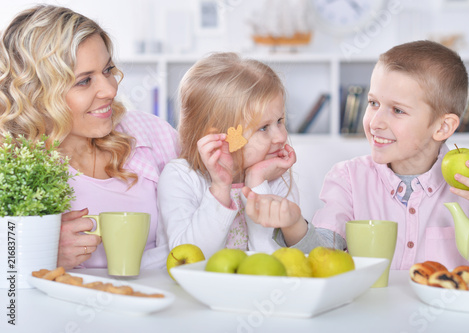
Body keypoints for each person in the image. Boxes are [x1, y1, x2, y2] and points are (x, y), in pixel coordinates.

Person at [0, 5, 179, 270]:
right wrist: (39, 252)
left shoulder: (149, 133)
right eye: (84, 81)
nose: (109, 90)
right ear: (36, 93)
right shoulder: (11, 167)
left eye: (108, 70)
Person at [310, 40, 469, 270]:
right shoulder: (348, 179)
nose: (376, 122)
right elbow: (319, 253)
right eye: (373, 103)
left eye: (397, 110)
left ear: (442, 128)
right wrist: (292, 225)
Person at [157, 52, 345, 258]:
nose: (281, 136)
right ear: (219, 138)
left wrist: (256, 182)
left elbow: (278, 260)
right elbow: (188, 257)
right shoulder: (180, 177)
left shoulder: (273, 176)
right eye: (264, 128)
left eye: (280, 121)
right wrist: (220, 188)